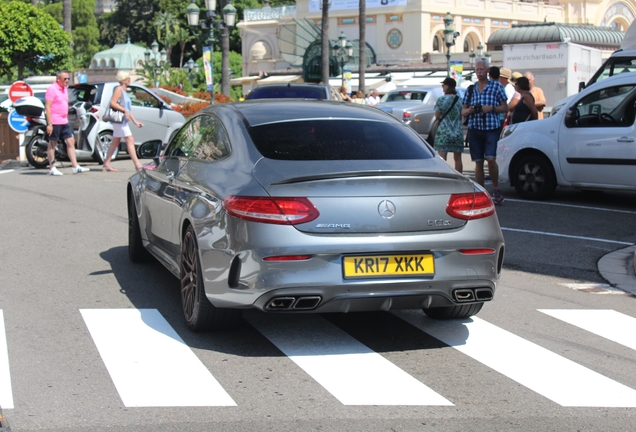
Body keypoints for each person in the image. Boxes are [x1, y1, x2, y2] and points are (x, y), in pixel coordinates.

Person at [461, 57, 508, 204]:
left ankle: (496, 188)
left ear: (487, 70)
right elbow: (463, 110)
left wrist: (491, 109)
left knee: (491, 159)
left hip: (491, 128)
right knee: (478, 162)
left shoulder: (496, 87)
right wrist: (469, 110)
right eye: (477, 69)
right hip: (475, 128)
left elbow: (505, 107)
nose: (480, 72)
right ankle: (481, 193)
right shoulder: (471, 89)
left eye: (482, 69)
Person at [44, 70, 89, 176]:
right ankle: (52, 167)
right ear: (58, 79)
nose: (67, 80)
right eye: (65, 79)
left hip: (64, 121)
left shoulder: (65, 89)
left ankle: (75, 166)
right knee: (53, 143)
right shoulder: (52, 89)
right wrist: (49, 124)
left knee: (70, 141)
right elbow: (48, 107)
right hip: (55, 121)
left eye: (68, 78)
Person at [102, 71, 144, 172]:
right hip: (119, 120)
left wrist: (135, 121)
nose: (130, 80)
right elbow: (113, 103)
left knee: (115, 142)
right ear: (124, 80)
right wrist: (124, 110)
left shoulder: (124, 91)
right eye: (128, 79)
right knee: (130, 140)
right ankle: (137, 165)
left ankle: (106, 164)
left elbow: (128, 109)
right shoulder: (119, 89)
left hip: (122, 120)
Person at [433, 77, 464, 173]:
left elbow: (437, 116)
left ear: (448, 86)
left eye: (443, 85)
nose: (442, 87)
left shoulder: (441, 100)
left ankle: (443, 177)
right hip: (457, 131)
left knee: (442, 157)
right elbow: (460, 116)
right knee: (458, 158)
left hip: (444, 131)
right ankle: (460, 178)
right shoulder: (460, 100)